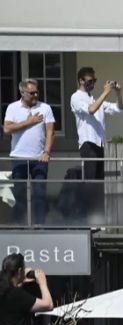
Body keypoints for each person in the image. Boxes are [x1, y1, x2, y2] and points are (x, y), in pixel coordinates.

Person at [3, 79, 55, 225]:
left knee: (40, 194)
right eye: (32, 92)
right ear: (22, 92)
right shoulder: (13, 108)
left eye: (37, 92)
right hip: (18, 157)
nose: (35, 95)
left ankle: (40, 227)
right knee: (19, 195)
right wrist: (28, 122)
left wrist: (46, 152)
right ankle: (20, 226)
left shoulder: (45, 108)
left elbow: (50, 132)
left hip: (40, 158)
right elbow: (7, 129)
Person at [71, 67, 123, 182]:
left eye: (94, 80)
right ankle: (88, 200)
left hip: (100, 144)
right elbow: (91, 110)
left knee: (99, 181)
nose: (93, 83)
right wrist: (105, 92)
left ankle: (97, 200)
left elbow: (119, 109)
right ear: (81, 80)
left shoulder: (95, 98)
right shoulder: (76, 97)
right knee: (91, 181)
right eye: (90, 80)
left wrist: (118, 93)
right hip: (88, 143)